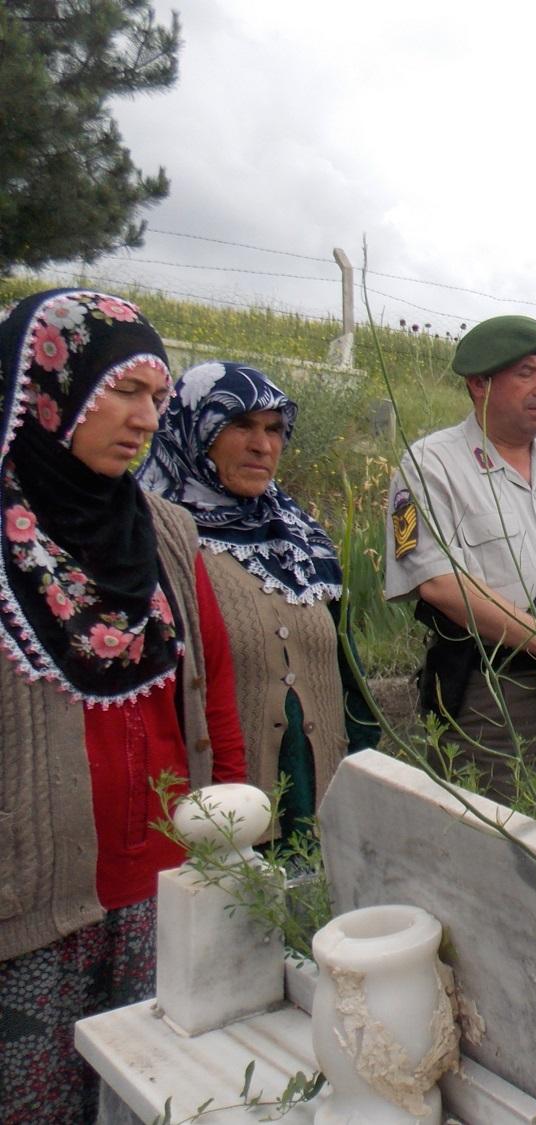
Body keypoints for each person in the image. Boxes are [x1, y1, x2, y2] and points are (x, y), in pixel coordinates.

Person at [0, 289, 246, 1119]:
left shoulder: (166, 531)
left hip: (163, 885)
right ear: (48, 385)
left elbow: (214, 695)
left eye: (157, 396)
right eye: (124, 389)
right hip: (29, 907)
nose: (146, 417)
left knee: (157, 1096)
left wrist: (231, 834)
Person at [385, 315, 536, 806]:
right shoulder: (432, 465)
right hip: (494, 695)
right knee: (498, 846)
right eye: (525, 373)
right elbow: (438, 581)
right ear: (480, 384)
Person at [138, 361, 379, 839]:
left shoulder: (301, 539)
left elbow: (349, 682)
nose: (262, 445)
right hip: (215, 824)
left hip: (322, 812)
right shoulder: (153, 538)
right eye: (240, 425)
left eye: (274, 429)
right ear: (192, 428)